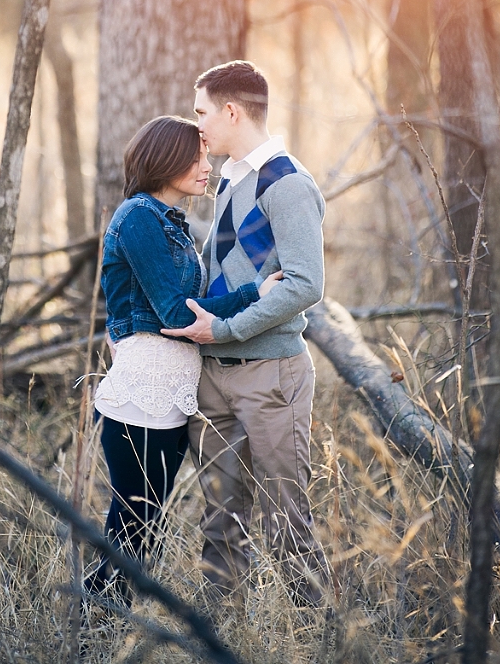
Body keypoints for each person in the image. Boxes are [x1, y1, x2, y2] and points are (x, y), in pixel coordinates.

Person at [86, 115, 281, 603]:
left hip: (171, 399)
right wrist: (251, 295)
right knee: (133, 528)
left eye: (205, 156)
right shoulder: (137, 218)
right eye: (194, 158)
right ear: (163, 160)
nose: (206, 166)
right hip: (141, 401)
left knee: (146, 530)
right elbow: (176, 314)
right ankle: (95, 626)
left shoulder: (168, 222)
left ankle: (109, 623)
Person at [162, 60, 330, 606]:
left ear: (231, 111)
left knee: (286, 517)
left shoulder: (288, 184)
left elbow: (305, 284)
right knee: (220, 517)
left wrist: (225, 327)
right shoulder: (231, 175)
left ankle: (313, 636)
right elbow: (230, 266)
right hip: (215, 376)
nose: (197, 127)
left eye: (202, 113)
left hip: (269, 375)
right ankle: (224, 631)